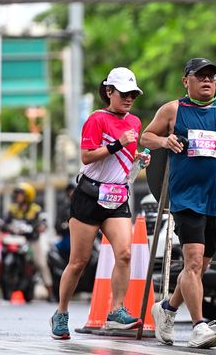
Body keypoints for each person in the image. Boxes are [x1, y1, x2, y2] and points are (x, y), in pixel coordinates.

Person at [140, 57, 216, 349]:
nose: (207, 80)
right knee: (193, 262)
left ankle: (167, 308)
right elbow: (146, 136)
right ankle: (199, 327)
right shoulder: (173, 109)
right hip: (186, 197)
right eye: (200, 76)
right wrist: (164, 141)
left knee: (199, 267)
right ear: (186, 81)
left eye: (211, 76)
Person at [50, 67, 150, 340]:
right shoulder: (96, 119)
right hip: (89, 196)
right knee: (78, 262)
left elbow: (123, 160)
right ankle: (61, 312)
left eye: (133, 95)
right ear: (109, 92)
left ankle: (116, 310)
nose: (129, 99)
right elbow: (87, 156)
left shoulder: (135, 122)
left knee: (125, 253)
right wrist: (118, 144)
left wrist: (139, 159)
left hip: (117, 197)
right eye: (124, 93)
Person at [5, 182, 53, 300]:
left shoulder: (35, 209)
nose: (17, 196)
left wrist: (41, 226)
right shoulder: (13, 209)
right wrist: (0, 224)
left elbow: (43, 222)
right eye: (16, 194)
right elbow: (5, 220)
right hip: (15, 240)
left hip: (32, 240)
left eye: (20, 194)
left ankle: (50, 292)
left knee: (41, 263)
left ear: (27, 195)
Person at [54, 181, 76, 261]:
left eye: (73, 190)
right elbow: (57, 226)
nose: (71, 193)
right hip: (68, 239)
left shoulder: (84, 206)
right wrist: (67, 226)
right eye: (69, 191)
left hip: (85, 237)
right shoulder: (63, 208)